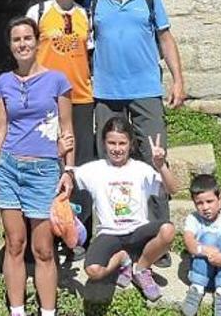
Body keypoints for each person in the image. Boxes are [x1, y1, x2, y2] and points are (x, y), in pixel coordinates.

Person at [86, 0, 185, 249]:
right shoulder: (92, 0)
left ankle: (156, 236)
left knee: (153, 159)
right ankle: (114, 232)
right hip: (106, 92)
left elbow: (166, 40)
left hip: (145, 91)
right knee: (109, 162)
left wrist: (178, 80)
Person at [0, 17, 76, 316]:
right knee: (14, 243)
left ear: (38, 41)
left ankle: (48, 311)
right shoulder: (3, 84)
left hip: (44, 171)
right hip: (9, 169)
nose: (22, 44)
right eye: (16, 39)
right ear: (10, 46)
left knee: (44, 249)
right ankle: (17, 310)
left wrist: (68, 171)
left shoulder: (58, 81)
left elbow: (66, 129)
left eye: (27, 38)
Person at [26, 0, 95, 259]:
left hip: (80, 97)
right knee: (45, 164)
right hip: (46, 100)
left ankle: (76, 233)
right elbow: (24, 51)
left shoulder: (84, 15)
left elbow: (90, 54)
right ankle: (44, 232)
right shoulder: (38, 11)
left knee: (76, 165)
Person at [74, 117, 179, 302]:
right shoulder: (94, 169)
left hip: (138, 231)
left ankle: (141, 268)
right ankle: (123, 259)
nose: (117, 148)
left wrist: (161, 165)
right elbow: (67, 178)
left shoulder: (141, 169)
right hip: (109, 233)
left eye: (122, 143)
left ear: (130, 144)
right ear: (104, 143)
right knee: (93, 271)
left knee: (168, 230)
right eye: (111, 143)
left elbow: (173, 189)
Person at [181, 174, 221, 316]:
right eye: (199, 203)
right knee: (209, 237)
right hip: (203, 275)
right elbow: (189, 242)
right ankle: (196, 289)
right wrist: (204, 249)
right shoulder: (193, 219)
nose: (205, 207)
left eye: (210, 201)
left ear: (219, 199)